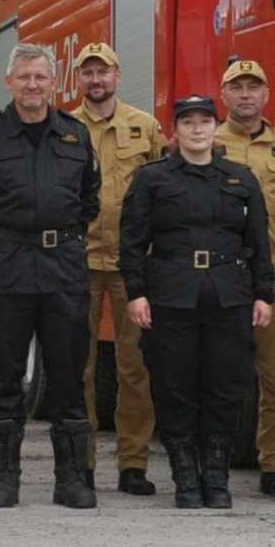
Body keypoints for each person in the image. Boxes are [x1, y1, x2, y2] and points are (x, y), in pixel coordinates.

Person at [0, 44, 104, 509]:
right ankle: (4, 479)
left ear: (53, 83)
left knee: (68, 377)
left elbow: (89, 200)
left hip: (63, 270)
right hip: (8, 268)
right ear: (9, 83)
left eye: (40, 77)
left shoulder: (76, 136)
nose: (32, 85)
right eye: (24, 77)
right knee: (4, 377)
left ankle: (71, 480)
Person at [120, 95, 273, 509]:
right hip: (172, 293)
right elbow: (132, 240)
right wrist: (136, 292)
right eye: (188, 122)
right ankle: (186, 477)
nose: (198, 129)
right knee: (175, 386)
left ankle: (217, 478)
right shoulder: (152, 179)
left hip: (228, 294)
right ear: (175, 131)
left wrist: (264, 294)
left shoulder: (241, 178)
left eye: (205, 121)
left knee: (225, 385)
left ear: (216, 127)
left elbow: (259, 241)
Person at [67, 44, 164, 497]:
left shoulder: (145, 127)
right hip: (78, 261)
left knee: (135, 367)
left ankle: (133, 464)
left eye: (102, 71)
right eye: (87, 72)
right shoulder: (64, 128)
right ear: (79, 80)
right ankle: (80, 464)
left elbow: (162, 189)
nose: (96, 79)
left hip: (132, 263)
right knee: (79, 368)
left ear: (117, 76)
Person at [214, 60, 275, 499]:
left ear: (267, 94)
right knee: (219, 374)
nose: (246, 95)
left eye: (254, 87)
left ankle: (274, 463)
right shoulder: (208, 143)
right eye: (237, 87)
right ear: (224, 95)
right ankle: (213, 460)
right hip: (221, 276)